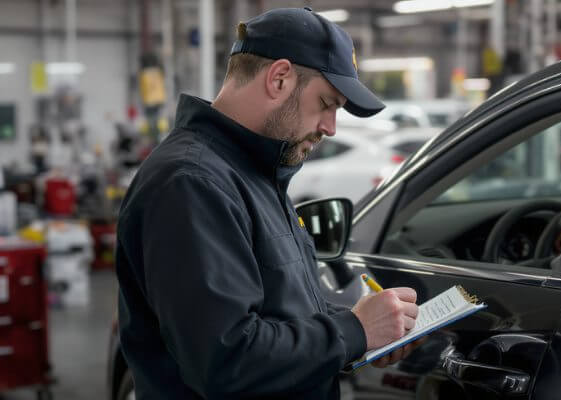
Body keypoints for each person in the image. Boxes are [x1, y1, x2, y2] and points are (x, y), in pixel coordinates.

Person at [115, 8, 421, 399]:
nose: (330, 127)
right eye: (326, 103)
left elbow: (277, 317)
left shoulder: (252, 174)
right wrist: (352, 331)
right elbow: (227, 360)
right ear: (279, 78)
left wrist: (362, 335)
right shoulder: (191, 184)